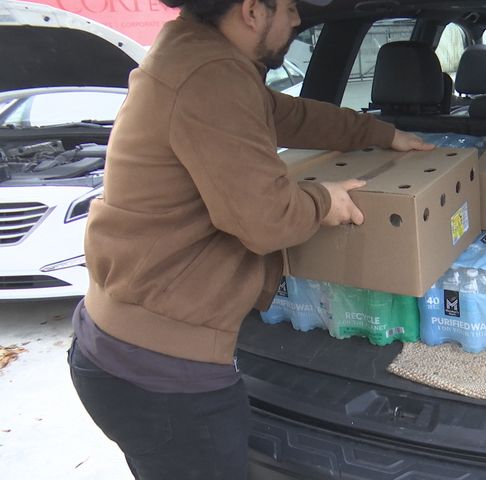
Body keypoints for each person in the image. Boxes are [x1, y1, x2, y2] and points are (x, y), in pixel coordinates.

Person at [66, 0, 433, 478]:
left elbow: (287, 115)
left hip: (123, 348)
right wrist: (325, 200)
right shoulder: (209, 75)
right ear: (253, 10)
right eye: (290, 7)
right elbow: (267, 219)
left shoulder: (197, 56)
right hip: (163, 376)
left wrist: (379, 133)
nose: (297, 18)